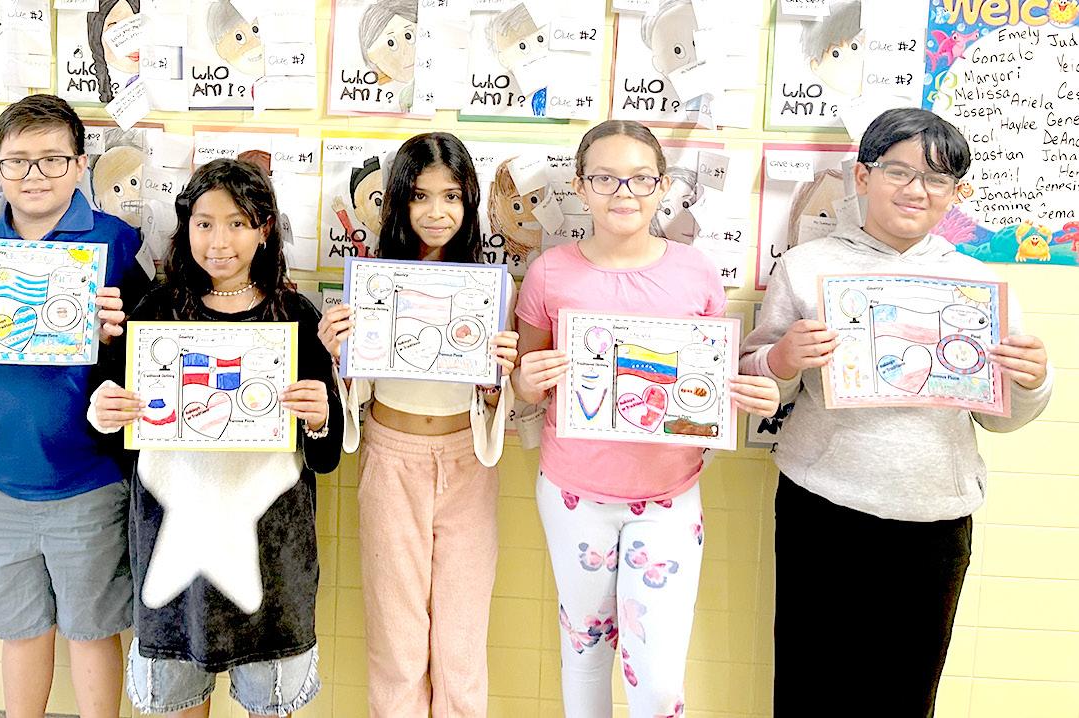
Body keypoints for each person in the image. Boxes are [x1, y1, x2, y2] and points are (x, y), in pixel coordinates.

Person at [740, 107, 1052, 716]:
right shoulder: (807, 265)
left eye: (937, 178)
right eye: (899, 171)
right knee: (808, 687)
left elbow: (1001, 417)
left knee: (907, 696)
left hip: (935, 516)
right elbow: (761, 388)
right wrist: (779, 359)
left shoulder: (976, 285)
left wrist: (1033, 382)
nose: (917, 189)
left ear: (956, 193)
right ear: (863, 176)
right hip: (822, 506)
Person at [511, 120, 779, 718]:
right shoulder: (550, 272)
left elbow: (708, 382)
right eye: (605, 178)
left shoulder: (695, 271)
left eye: (639, 178)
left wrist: (748, 392)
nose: (623, 192)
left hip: (669, 496)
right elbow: (525, 383)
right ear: (580, 187)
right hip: (574, 492)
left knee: (657, 678)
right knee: (584, 652)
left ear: (662, 187)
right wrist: (525, 382)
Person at [0, 93, 149, 718]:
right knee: (19, 628)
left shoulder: (117, 242)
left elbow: (151, 357)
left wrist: (116, 336)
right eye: (17, 162)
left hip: (89, 478)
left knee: (93, 629)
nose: (35, 175)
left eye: (52, 159)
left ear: (80, 164)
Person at [89, 158, 342, 717]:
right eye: (204, 224)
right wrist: (105, 411)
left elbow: (325, 457)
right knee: (181, 689)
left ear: (264, 229)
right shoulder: (156, 311)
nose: (219, 241)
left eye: (237, 223)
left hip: (272, 549)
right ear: (186, 228)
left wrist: (321, 417)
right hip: (173, 537)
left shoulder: (295, 315)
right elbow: (117, 430)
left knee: (267, 697)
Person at [318, 132, 517, 717]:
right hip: (391, 457)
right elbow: (356, 394)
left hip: (465, 460)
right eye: (420, 196)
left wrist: (499, 374)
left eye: (451, 196)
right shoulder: (373, 279)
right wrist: (339, 354)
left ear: (469, 200)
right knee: (397, 641)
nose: (437, 212)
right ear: (399, 201)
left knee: (460, 645)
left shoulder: (492, 285)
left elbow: (494, 399)